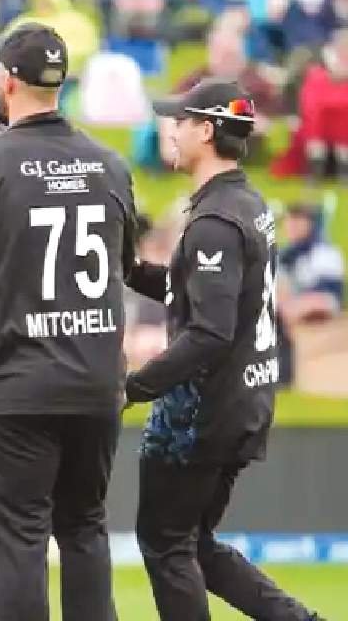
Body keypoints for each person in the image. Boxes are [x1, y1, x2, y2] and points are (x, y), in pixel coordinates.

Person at [0, 22, 137, 621]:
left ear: (5, 82)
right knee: (85, 528)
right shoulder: (110, 164)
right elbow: (125, 266)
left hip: (17, 382)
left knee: (18, 537)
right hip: (95, 381)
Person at [128, 80, 325, 621]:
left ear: (208, 131)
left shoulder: (215, 221)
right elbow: (197, 292)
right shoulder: (247, 202)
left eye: (181, 120)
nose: (172, 130)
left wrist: (134, 387)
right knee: (193, 544)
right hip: (244, 399)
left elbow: (210, 332)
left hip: (203, 412)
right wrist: (131, 270)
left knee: (167, 544)